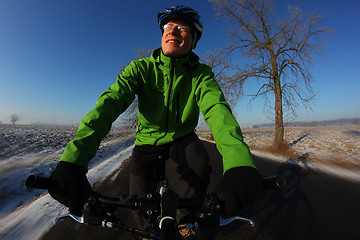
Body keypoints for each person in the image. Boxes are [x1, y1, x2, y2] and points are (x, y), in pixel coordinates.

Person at [48, 5, 263, 225]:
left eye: (182, 27)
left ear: (195, 41)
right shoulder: (140, 69)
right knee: (138, 198)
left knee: (199, 163)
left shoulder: (200, 74)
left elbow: (218, 112)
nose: (172, 31)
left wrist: (239, 164)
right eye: (168, 26)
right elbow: (108, 105)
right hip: (147, 139)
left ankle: (186, 221)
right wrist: (73, 162)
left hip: (182, 137)